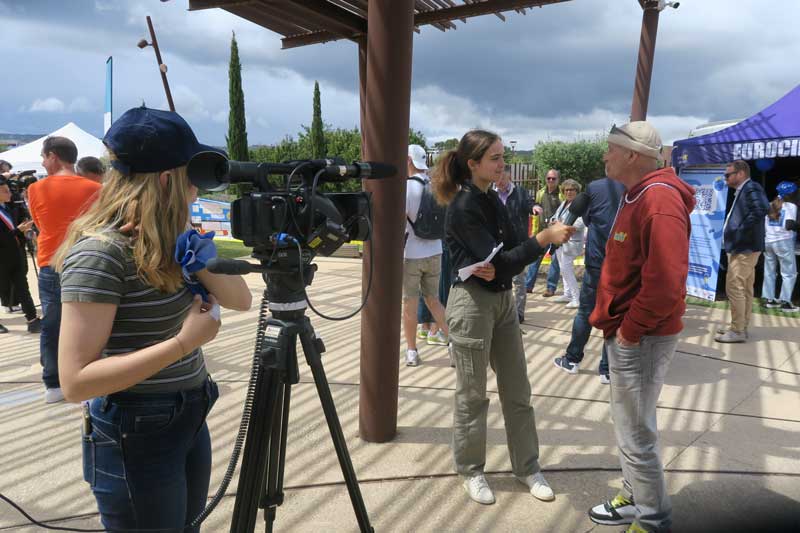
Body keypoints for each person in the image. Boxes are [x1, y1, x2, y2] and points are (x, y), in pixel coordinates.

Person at [54, 106, 252, 532]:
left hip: (189, 411)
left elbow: (242, 300)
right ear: (167, 179)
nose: (198, 184)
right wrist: (183, 343)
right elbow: (75, 381)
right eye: (191, 173)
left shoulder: (174, 238)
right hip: (137, 427)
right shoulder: (101, 254)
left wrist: (200, 256)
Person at [431, 129, 574, 506]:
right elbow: (505, 259)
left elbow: (509, 257)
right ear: (473, 163)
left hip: (503, 302)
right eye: (494, 157)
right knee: (472, 396)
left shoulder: (492, 198)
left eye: (501, 156)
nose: (502, 163)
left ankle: (527, 467)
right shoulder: (463, 206)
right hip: (471, 304)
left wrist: (512, 257)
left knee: (518, 391)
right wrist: (541, 241)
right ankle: (471, 470)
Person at [588, 122, 695, 533]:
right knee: (630, 426)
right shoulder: (641, 193)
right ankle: (636, 498)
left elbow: (666, 283)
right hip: (634, 332)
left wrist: (630, 330)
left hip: (643, 336)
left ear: (633, 155)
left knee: (637, 432)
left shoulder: (659, 200)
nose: (605, 156)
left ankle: (653, 520)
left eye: (610, 149)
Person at [28, 136, 102, 403]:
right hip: (87, 260)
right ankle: (89, 377)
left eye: (43, 156)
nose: (42, 161)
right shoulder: (95, 189)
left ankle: (53, 382)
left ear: (53, 156)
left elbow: (40, 223)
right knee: (90, 321)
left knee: (51, 323)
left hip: (51, 261)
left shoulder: (35, 189)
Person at [553, 176, 623, 383]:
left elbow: (586, 219)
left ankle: (573, 359)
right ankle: (607, 370)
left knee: (585, 311)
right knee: (614, 314)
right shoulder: (635, 187)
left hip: (597, 260)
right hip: (622, 264)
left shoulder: (594, 187)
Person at [403, 144, 449, 366]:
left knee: (410, 304)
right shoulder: (436, 185)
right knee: (434, 300)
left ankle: (412, 351)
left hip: (412, 253)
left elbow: (400, 222)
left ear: (409, 161)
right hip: (436, 250)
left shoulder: (407, 187)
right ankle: (454, 344)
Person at [715, 160, 769, 343]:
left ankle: (737, 331)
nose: (726, 178)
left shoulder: (751, 187)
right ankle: (739, 326)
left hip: (744, 247)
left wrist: (739, 231)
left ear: (741, 174)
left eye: (728, 174)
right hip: (744, 247)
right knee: (744, 288)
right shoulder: (744, 190)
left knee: (734, 286)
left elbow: (761, 209)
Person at [493, 165, 535, 322]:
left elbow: (530, 203)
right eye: (497, 178)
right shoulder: (491, 193)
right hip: (498, 244)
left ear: (509, 177)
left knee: (518, 280)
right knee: (499, 279)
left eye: (502, 178)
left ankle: (518, 313)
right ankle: (501, 312)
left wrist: (534, 207)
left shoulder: (520, 192)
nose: (499, 181)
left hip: (517, 242)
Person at [0, 176, 41, 334]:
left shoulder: (7, 209)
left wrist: (24, 233)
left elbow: (12, 233)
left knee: (23, 288)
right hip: (2, 259)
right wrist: (18, 230)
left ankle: (32, 319)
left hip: (15, 255)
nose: (9, 193)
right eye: (5, 191)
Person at [525, 168, 564, 296]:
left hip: (556, 233)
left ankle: (550, 288)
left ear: (558, 180)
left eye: (553, 178)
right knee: (535, 259)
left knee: (555, 261)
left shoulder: (561, 194)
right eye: (549, 178)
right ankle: (528, 285)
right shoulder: (540, 193)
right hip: (542, 232)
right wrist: (534, 232)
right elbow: (536, 213)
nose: (551, 180)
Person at [761, 180, 798, 312]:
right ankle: (785, 302)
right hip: (783, 242)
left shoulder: (770, 205)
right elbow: (789, 225)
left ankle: (769, 300)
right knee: (789, 273)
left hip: (768, 242)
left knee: (769, 271)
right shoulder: (790, 206)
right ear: (790, 194)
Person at [551, 179, 586, 308]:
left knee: (566, 269)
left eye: (572, 190)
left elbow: (580, 224)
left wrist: (562, 226)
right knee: (562, 268)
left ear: (577, 191)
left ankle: (577, 298)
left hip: (572, 243)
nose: (569, 192)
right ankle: (568, 294)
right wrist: (553, 221)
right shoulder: (564, 204)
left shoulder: (580, 205)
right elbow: (555, 216)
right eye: (566, 190)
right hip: (560, 242)